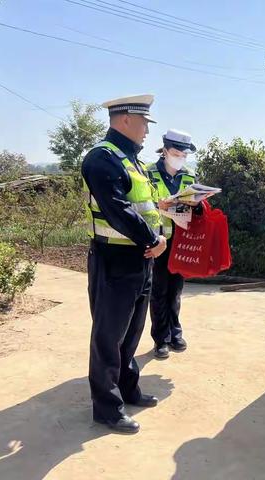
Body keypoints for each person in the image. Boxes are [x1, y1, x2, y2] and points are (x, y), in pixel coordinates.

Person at [81, 94, 167, 434]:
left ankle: (128, 389)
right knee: (108, 336)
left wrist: (155, 237)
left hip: (140, 260)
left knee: (131, 332)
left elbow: (144, 205)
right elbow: (117, 209)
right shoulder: (102, 158)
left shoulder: (133, 160)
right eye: (144, 123)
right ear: (126, 120)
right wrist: (152, 239)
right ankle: (106, 407)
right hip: (114, 260)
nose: (147, 130)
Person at [146, 129, 199, 359]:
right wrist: (160, 206)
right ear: (165, 150)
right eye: (177, 153)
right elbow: (144, 205)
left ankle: (175, 333)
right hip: (157, 242)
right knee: (159, 291)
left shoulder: (188, 176)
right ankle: (160, 339)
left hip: (181, 242)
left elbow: (192, 207)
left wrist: (196, 206)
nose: (181, 158)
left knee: (175, 292)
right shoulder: (147, 173)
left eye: (184, 155)